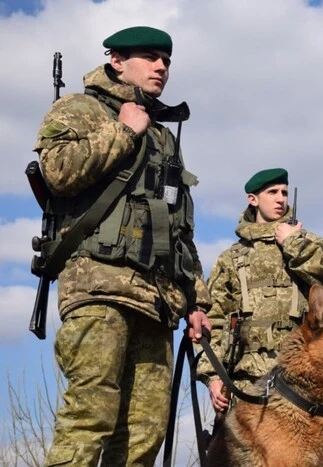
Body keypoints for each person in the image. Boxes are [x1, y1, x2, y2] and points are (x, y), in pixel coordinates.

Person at [33, 26, 212, 466]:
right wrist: (124, 133)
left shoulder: (165, 137)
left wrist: (196, 301)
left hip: (157, 302)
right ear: (116, 60)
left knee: (144, 432)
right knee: (91, 414)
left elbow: (179, 228)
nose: (161, 67)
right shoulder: (81, 107)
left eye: (166, 61)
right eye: (150, 57)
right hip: (99, 286)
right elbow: (57, 171)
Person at [197, 168, 323, 413]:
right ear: (253, 199)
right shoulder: (231, 258)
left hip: (300, 379)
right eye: (272, 192)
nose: (280, 198)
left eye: (284, 192)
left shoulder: (306, 243)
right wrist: (212, 377)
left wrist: (293, 243)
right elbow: (211, 320)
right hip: (244, 380)